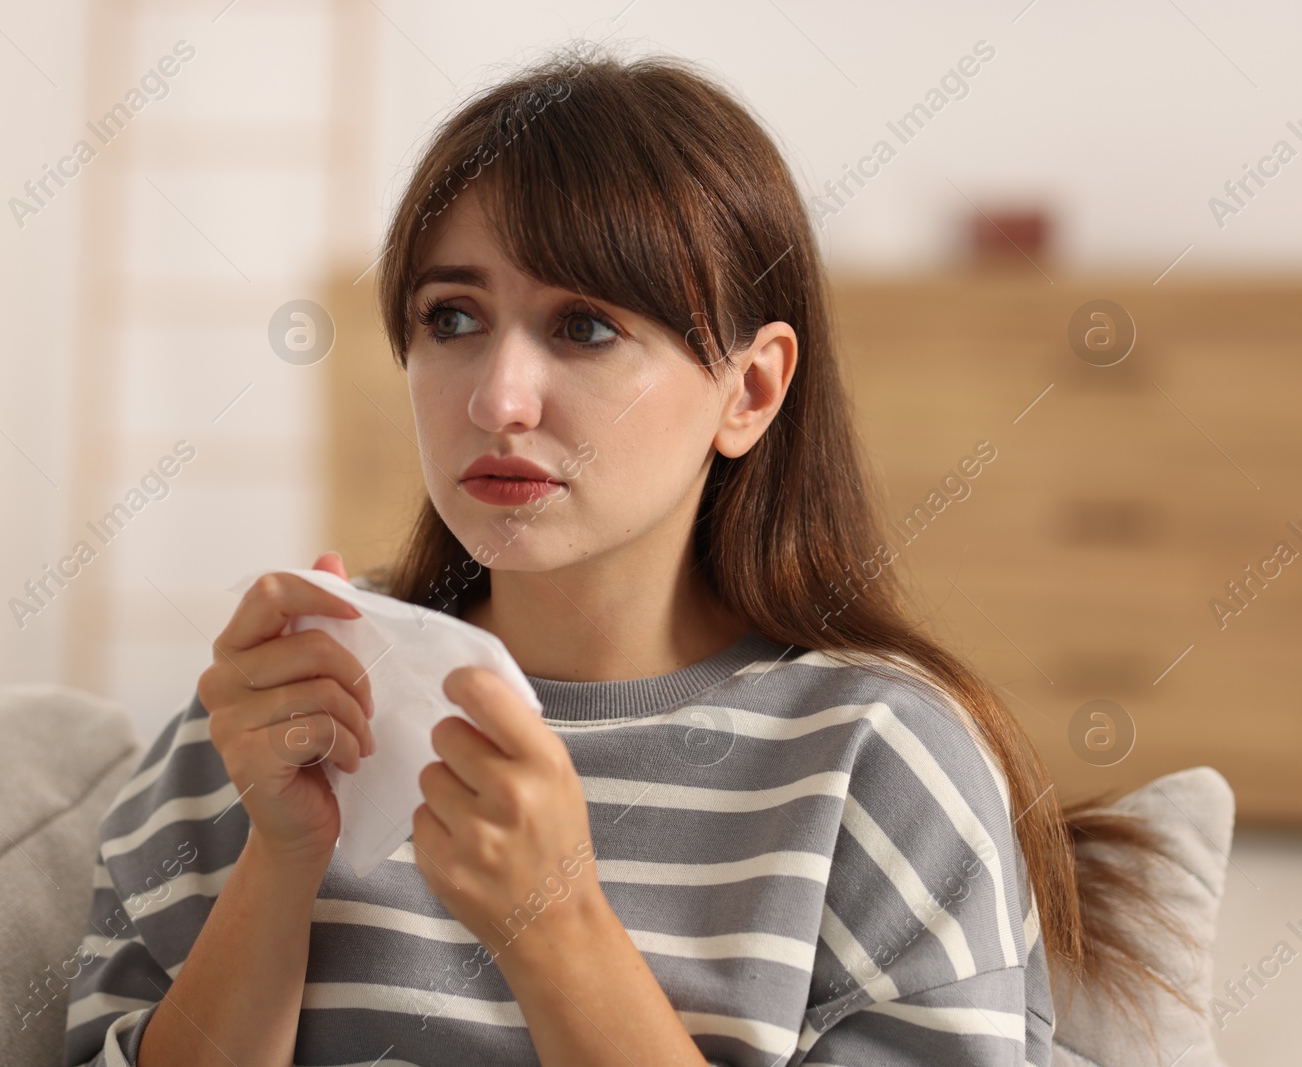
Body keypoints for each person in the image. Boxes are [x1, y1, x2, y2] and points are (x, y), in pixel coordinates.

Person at [65, 46, 1177, 1067]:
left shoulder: (875, 765)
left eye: (584, 327)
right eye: (451, 317)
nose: (497, 398)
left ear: (749, 389)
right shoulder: (282, 701)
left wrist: (557, 930)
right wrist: (278, 858)